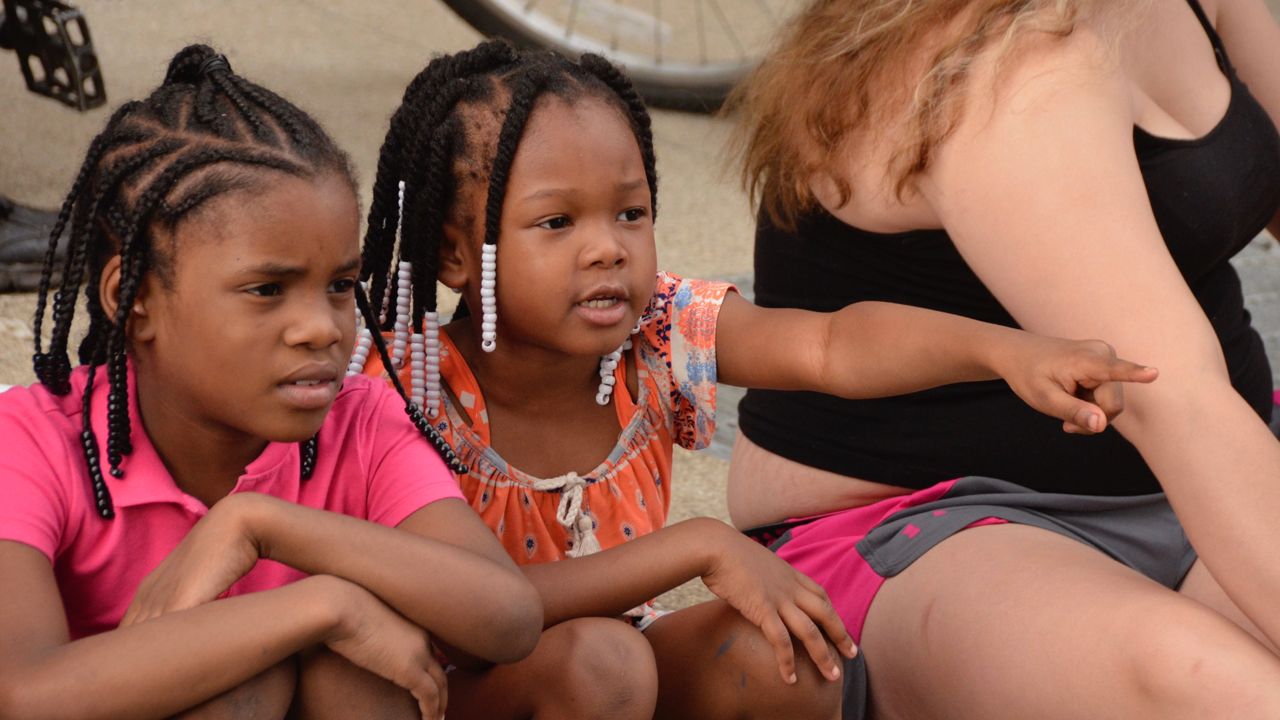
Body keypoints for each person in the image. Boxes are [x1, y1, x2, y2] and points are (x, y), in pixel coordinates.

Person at [352, 40, 1159, 720]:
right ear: (456, 254)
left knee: (797, 653)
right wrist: (697, 546)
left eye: (629, 213)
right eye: (557, 223)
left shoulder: (654, 330)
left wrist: (1007, 353)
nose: (606, 248)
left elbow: (832, 346)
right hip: (442, 687)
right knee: (603, 663)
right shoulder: (408, 392)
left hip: (615, 660)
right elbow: (482, 620)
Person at [729, 0, 1280, 717]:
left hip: (1202, 481)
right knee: (1222, 691)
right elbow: (1168, 399)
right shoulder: (1001, 67)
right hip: (933, 528)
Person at [0, 44, 543, 720]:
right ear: (133, 297)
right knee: (247, 679)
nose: (321, 329)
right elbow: (26, 694)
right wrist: (325, 604)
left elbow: (509, 617)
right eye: (266, 289)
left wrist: (260, 524)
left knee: (351, 675)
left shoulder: (360, 424)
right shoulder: (34, 442)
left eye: (341, 286)